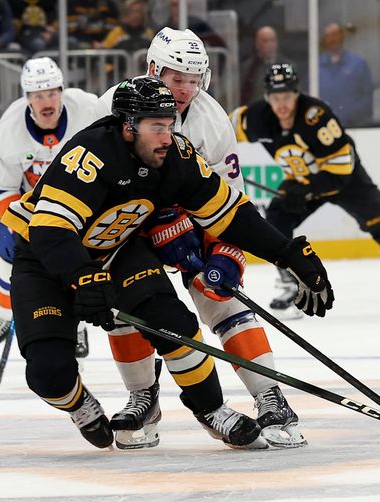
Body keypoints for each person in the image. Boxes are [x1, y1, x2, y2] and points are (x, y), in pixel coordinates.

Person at [0, 75, 333, 450]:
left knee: (175, 323)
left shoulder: (175, 155)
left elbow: (231, 215)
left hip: (117, 251)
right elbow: (50, 229)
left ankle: (211, 410)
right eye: (156, 126)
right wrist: (82, 277)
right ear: (128, 127)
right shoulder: (91, 154)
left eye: (170, 124)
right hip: (44, 259)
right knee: (49, 373)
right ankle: (81, 405)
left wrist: (289, 254)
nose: (166, 136)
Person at [93, 28, 307, 450]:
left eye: (195, 78)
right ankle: (144, 397)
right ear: (154, 70)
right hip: (123, 226)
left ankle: (269, 395)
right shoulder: (111, 109)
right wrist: (156, 226)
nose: (187, 89)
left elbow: (228, 201)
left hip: (188, 221)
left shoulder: (211, 120)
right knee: (128, 307)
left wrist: (226, 255)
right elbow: (93, 189)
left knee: (219, 295)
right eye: (177, 78)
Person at [231, 63, 380, 314]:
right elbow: (221, 130)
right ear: (267, 97)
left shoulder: (316, 117)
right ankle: (292, 284)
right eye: (276, 98)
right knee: (276, 222)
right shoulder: (256, 117)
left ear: (297, 93)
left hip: (346, 181)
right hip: (304, 180)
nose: (282, 105)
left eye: (287, 96)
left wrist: (306, 189)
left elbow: (340, 172)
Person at [0, 57, 98, 358]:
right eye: (38, 95)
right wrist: (29, 225)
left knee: (74, 262)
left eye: (52, 93)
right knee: (8, 256)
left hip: (79, 202)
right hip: (27, 205)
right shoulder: (8, 131)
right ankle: (4, 318)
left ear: (62, 91)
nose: (47, 101)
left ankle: (78, 326)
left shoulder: (87, 110)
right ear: (27, 99)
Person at [318, 22, 373, 127]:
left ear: (342, 37)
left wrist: (350, 115)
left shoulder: (358, 64)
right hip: (323, 127)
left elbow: (368, 98)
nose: (332, 39)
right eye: (329, 36)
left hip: (354, 126)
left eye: (335, 34)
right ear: (324, 40)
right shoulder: (316, 66)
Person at [240, 26, 290, 105]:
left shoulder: (287, 66)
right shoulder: (248, 68)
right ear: (257, 44)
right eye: (265, 41)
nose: (270, 44)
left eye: (272, 40)